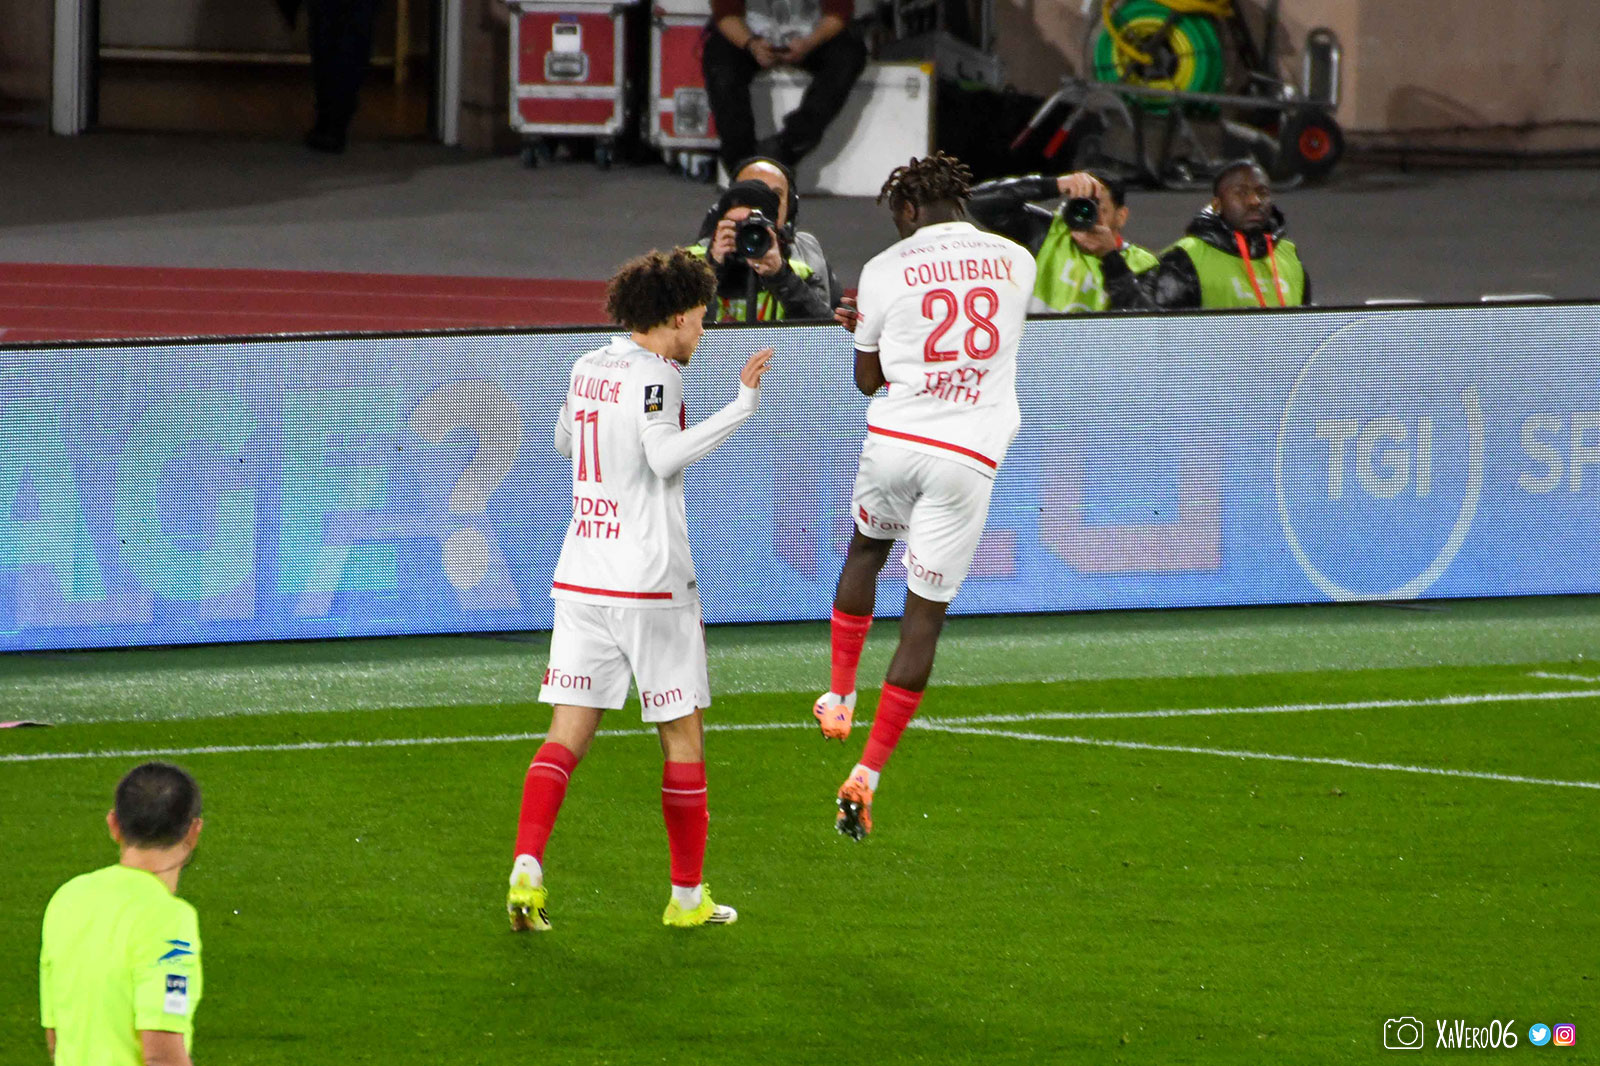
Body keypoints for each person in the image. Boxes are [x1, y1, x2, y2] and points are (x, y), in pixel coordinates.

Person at [506, 248, 774, 930]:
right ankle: (686, 898)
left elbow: (564, 442)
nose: (704, 332)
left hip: (582, 576)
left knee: (565, 735)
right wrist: (741, 407)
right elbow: (662, 455)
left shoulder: (588, 365)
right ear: (677, 317)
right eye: (702, 318)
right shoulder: (660, 377)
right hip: (650, 583)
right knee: (682, 735)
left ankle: (527, 868)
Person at [816, 152, 1036, 839]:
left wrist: (869, 332)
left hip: (896, 441)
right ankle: (868, 773)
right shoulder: (1017, 259)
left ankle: (839, 695)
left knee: (866, 551)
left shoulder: (885, 268)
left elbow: (867, 380)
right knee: (923, 619)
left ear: (908, 209)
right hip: (967, 455)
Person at [40, 762, 205, 1066]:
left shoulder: (67, 898)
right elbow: (161, 1055)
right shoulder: (170, 920)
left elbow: (57, 1037)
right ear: (194, 831)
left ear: (113, 824)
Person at [702, 0, 869, 172]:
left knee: (849, 55)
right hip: (751, 37)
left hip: (810, 37)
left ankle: (790, 144)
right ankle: (741, 161)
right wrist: (752, 45)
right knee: (720, 62)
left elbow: (838, 13)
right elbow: (725, 14)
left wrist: (809, 43)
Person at [967, 168, 1159, 313]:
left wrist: (1111, 258)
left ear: (1121, 216)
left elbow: (1149, 326)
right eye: (1080, 206)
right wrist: (1052, 185)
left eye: (1099, 209)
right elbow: (976, 201)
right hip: (1040, 350)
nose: (1087, 216)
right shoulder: (1048, 233)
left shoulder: (1141, 263)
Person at [1130, 159, 1311, 309]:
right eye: (1241, 193)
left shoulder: (1289, 255)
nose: (1255, 201)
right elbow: (1160, 330)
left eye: (1262, 193)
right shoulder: (1185, 258)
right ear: (1217, 205)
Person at [697, 155, 843, 309]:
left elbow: (834, 319)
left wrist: (783, 278)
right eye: (751, 195)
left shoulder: (808, 251)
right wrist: (712, 268)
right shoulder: (697, 257)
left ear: (790, 206)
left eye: (775, 195)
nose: (764, 203)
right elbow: (684, 320)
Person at [687, 179, 834, 322]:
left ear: (773, 231)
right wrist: (711, 269)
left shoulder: (799, 274)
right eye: (734, 226)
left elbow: (825, 330)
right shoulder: (688, 264)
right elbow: (678, 325)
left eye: (750, 227)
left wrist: (781, 277)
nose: (742, 235)